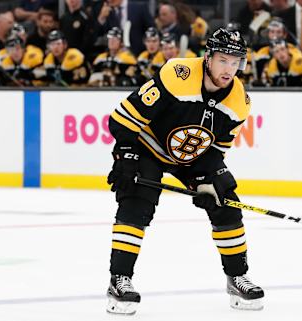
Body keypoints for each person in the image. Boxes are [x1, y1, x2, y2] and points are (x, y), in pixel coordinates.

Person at [105, 27, 264, 315]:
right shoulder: (177, 74)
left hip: (192, 158)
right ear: (208, 57)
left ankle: (237, 276)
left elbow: (215, 152)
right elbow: (122, 118)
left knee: (224, 199)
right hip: (148, 147)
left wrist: (206, 183)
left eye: (235, 62)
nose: (229, 69)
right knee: (137, 199)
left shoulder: (239, 102)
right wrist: (126, 156)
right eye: (223, 60)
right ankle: (120, 280)